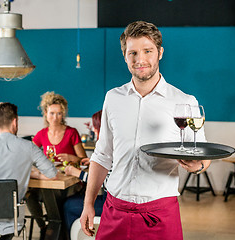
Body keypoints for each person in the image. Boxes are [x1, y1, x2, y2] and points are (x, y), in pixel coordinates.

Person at [80, 21, 211, 240]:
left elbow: (203, 156)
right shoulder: (113, 98)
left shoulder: (185, 102)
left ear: (160, 52)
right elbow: (102, 156)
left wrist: (196, 166)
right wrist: (88, 204)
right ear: (125, 56)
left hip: (160, 216)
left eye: (147, 51)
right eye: (133, 53)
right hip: (114, 211)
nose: (140, 60)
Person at [0, 102, 57, 240]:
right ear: (15, 122)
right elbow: (52, 173)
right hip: (10, 219)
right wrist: (31, 172)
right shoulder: (29, 147)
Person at [27, 91, 87, 238]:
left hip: (69, 182)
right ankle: (44, 227)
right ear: (46, 113)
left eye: (59, 113)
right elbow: (28, 155)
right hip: (51, 179)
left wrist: (71, 157)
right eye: (52, 113)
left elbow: (84, 159)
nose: (55, 117)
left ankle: (56, 228)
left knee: (52, 194)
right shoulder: (41, 134)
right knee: (28, 195)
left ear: (63, 114)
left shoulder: (71, 133)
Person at [63, 110, 109, 233]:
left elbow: (104, 182)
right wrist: (94, 161)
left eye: (95, 126)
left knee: (68, 205)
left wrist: (76, 173)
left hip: (109, 205)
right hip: (110, 202)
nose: (93, 130)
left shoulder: (110, 147)